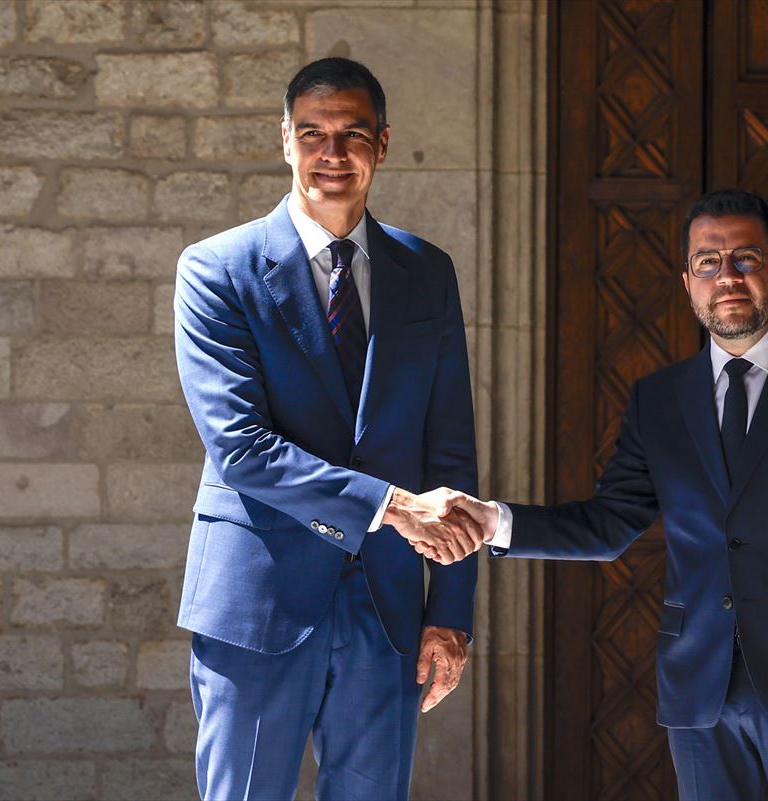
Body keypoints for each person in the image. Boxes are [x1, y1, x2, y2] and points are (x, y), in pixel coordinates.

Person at [407, 189, 768, 800]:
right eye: (708, 262)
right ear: (687, 281)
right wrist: (492, 521)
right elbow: (608, 524)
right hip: (698, 689)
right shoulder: (659, 400)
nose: (726, 276)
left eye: (746, 259)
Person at [173, 57, 482, 800]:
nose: (331, 154)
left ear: (382, 142)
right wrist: (394, 505)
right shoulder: (216, 270)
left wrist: (450, 611)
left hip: (386, 606)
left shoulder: (427, 272)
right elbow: (242, 449)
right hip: (259, 597)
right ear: (285, 141)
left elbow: (451, 449)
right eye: (312, 133)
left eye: (351, 134)